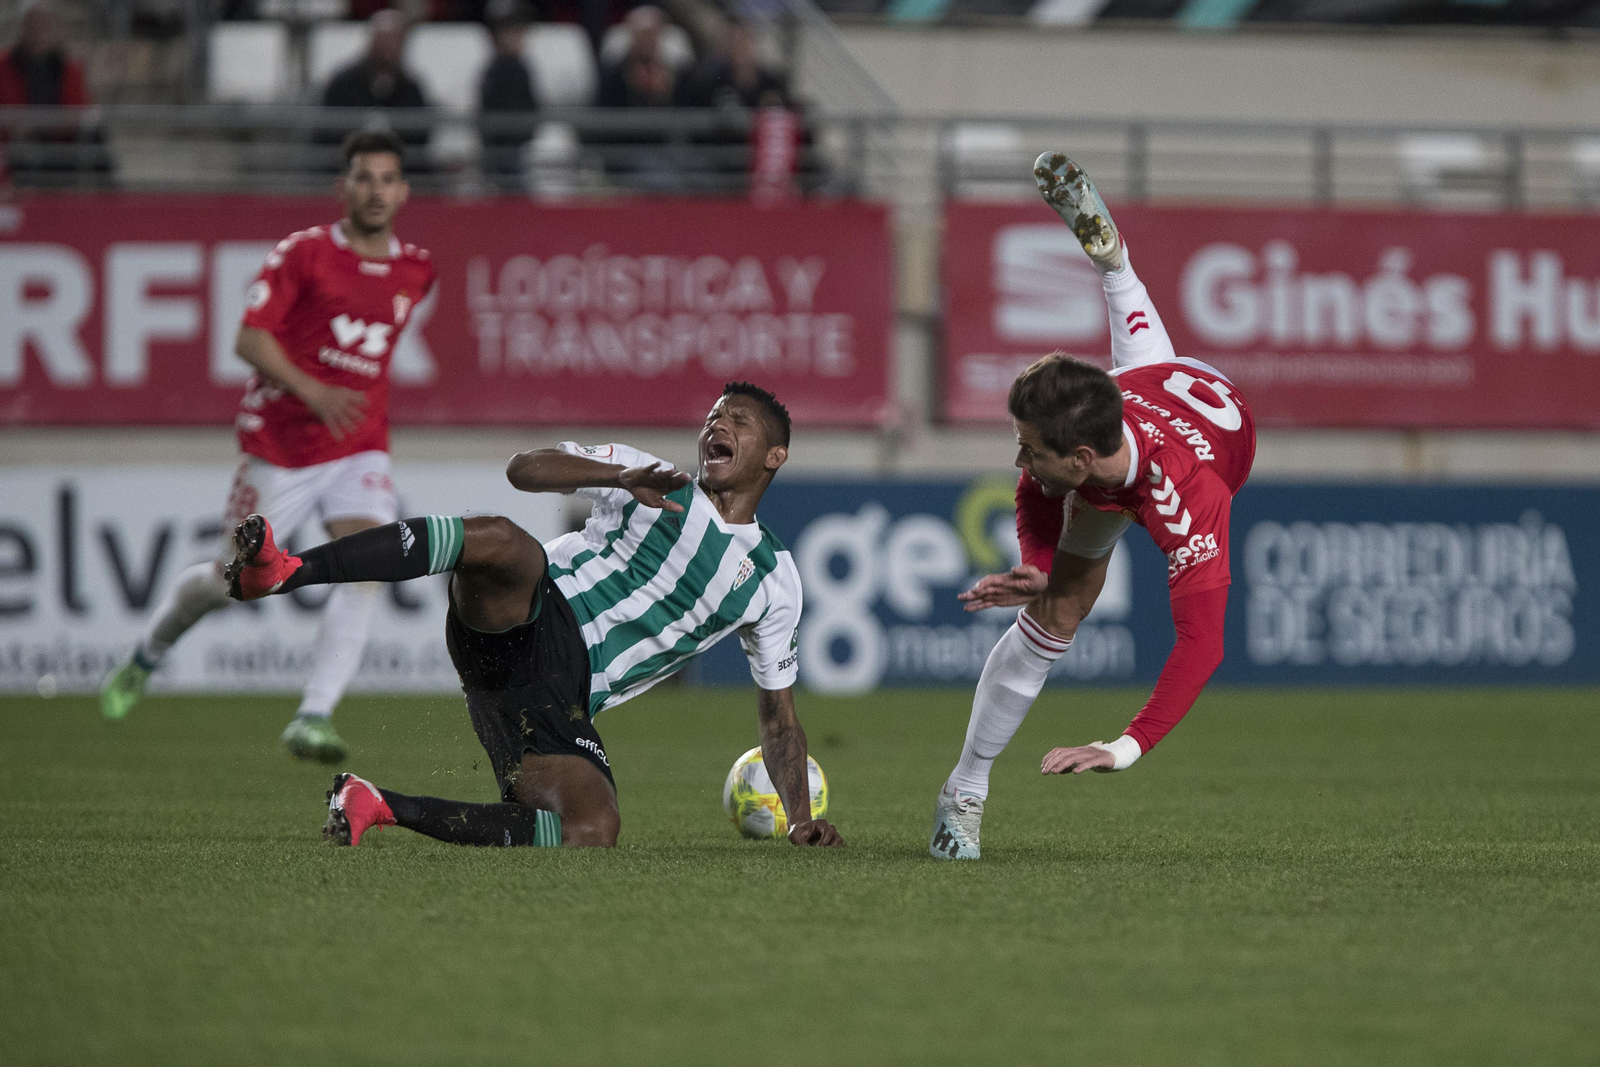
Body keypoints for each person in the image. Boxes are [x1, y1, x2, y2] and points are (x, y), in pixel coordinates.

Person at [219, 382, 846, 851]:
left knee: (592, 828)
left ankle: (375, 804)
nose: (718, 424)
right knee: (501, 541)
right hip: (534, 612)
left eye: (738, 420)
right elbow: (524, 469)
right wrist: (618, 475)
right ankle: (287, 570)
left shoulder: (774, 580)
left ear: (774, 456)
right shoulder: (653, 478)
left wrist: (800, 820)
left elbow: (779, 719)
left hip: (555, 697)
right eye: (714, 416)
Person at [929, 152, 1258, 861]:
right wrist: (1037, 563)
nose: (1020, 463)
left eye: (1030, 449)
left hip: (1199, 418)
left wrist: (1124, 745)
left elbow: (1203, 645)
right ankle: (964, 791)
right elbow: (1037, 484)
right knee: (1057, 608)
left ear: (1079, 461)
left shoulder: (1185, 501)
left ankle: (1116, 265)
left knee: (1066, 594)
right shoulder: (1091, 422)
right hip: (1152, 386)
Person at [100, 130, 437, 765]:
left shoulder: (418, 268)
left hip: (359, 444)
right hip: (282, 443)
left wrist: (343, 398)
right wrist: (315, 390)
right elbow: (249, 340)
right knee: (232, 581)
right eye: (364, 178)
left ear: (404, 191)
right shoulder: (303, 254)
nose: (376, 190)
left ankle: (314, 715)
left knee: (372, 565)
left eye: (388, 179)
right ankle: (148, 653)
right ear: (342, 187)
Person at [0, 1, 111, 187]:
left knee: (95, 136)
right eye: (34, 24)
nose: (39, 31)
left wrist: (68, 122)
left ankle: (108, 195)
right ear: (23, 27)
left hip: (61, 140)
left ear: (56, 29)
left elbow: (80, 107)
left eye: (45, 25)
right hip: (18, 143)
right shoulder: (4, 66)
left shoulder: (70, 68)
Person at [319, 10, 430, 165]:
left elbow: (420, 136)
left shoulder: (410, 87)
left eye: (394, 41)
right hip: (346, 164)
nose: (387, 49)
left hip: (397, 167)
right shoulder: (343, 83)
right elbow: (327, 130)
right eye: (383, 40)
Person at [477, 0, 539, 188]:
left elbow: (532, 106)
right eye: (506, 32)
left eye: (516, 32)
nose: (512, 38)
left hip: (521, 143)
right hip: (497, 144)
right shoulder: (493, 71)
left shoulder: (523, 70)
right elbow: (486, 109)